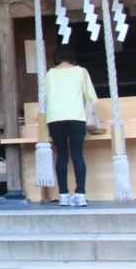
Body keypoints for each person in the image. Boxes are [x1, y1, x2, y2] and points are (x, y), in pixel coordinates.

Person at [45, 45, 98, 208]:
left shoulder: (50, 74)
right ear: (73, 57)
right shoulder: (81, 71)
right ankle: (80, 194)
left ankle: (63, 195)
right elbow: (91, 97)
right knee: (77, 155)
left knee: (61, 155)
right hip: (76, 117)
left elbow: (45, 97)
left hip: (55, 118)